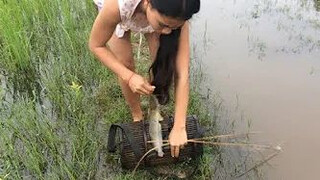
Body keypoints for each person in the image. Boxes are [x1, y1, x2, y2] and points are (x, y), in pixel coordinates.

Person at [89, 0, 200, 158]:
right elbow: (96, 45)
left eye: (174, 27)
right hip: (123, 10)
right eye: (163, 24)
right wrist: (130, 77)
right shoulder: (116, 6)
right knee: (125, 63)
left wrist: (180, 126)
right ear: (148, 2)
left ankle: (154, 109)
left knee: (159, 60)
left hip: (154, 12)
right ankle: (137, 115)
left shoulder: (178, 10)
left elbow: (182, 73)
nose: (167, 32)